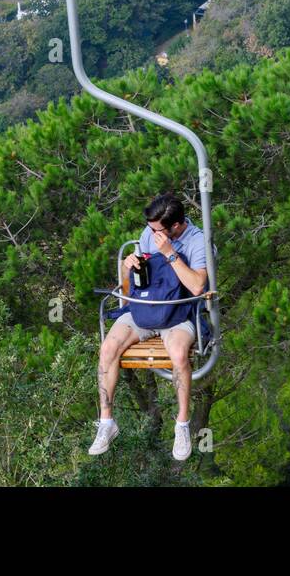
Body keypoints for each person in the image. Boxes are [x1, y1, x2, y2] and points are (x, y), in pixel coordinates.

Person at [90, 192, 208, 460]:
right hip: (146, 307)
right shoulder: (148, 234)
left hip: (178, 311)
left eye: (157, 230)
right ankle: (107, 422)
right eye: (150, 228)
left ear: (176, 226)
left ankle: (181, 425)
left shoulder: (196, 241)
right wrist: (127, 265)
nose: (151, 234)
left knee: (178, 354)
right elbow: (130, 286)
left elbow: (198, 286)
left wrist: (169, 254)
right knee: (108, 348)